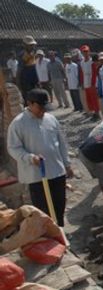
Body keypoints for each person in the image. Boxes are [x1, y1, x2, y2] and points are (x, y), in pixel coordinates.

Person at [7, 89, 74, 227]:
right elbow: (13, 148)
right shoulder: (18, 123)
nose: (43, 111)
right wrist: (30, 158)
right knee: (44, 210)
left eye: (45, 107)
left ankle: (59, 232)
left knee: (59, 205)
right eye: (40, 107)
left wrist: (67, 164)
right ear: (29, 104)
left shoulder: (51, 119)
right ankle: (49, 237)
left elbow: (61, 143)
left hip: (56, 171)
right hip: (36, 175)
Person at [80, 45, 100, 120]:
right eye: (84, 52)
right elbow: (82, 73)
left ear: (89, 52)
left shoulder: (92, 61)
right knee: (89, 99)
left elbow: (94, 73)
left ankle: (97, 113)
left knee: (94, 99)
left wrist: (93, 84)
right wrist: (82, 83)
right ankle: (93, 112)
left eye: (86, 51)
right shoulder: (82, 62)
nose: (85, 53)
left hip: (92, 82)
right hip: (86, 82)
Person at [17, 36, 39, 101]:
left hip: (34, 79)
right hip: (26, 80)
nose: (32, 47)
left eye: (33, 45)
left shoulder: (33, 53)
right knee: (29, 98)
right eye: (30, 45)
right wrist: (18, 83)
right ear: (25, 45)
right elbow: (19, 70)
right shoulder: (22, 55)